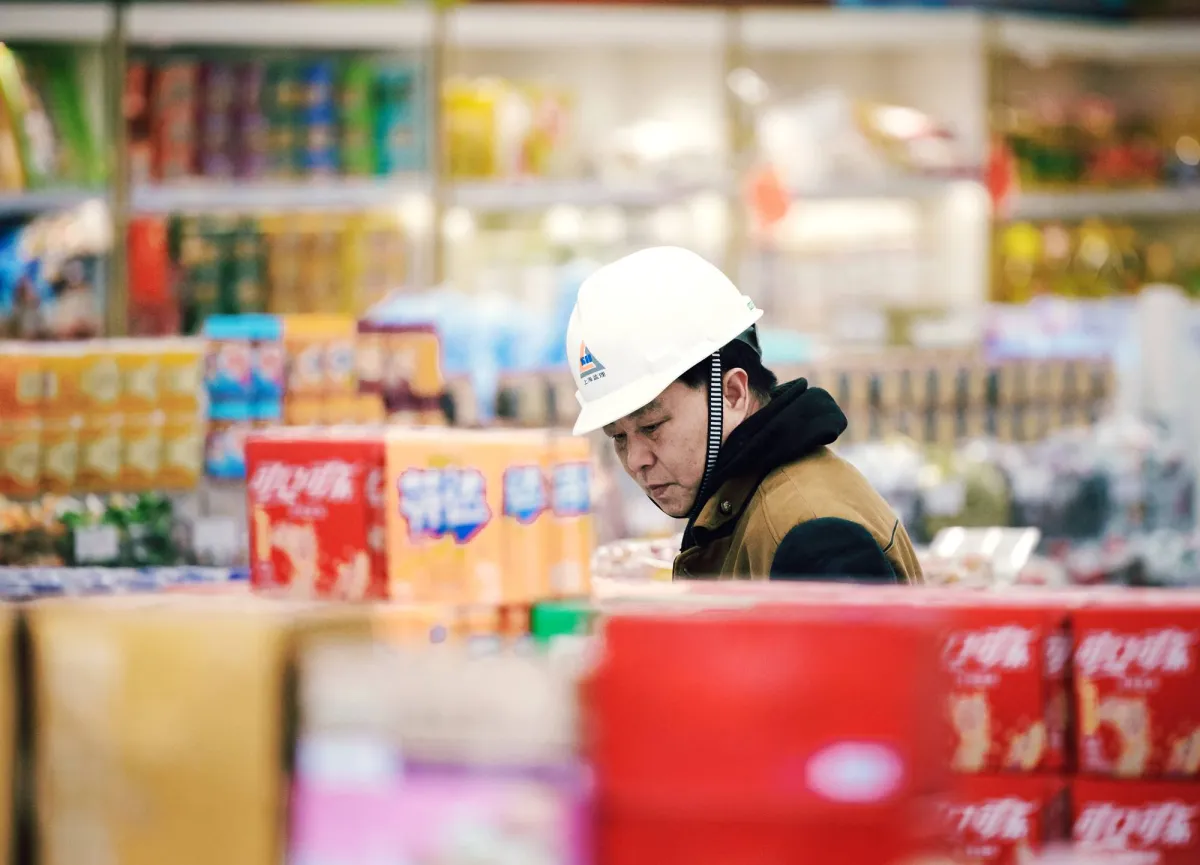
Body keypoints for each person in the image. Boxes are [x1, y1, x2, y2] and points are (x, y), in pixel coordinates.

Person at [565, 246, 922, 583]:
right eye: (618, 436)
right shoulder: (740, 510)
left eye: (652, 425)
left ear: (732, 393)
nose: (635, 460)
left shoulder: (815, 538)